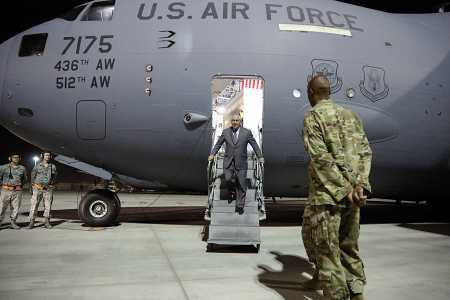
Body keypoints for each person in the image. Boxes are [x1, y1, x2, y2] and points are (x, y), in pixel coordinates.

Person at [301, 75, 372, 300]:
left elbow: (321, 158)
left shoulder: (313, 117)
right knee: (349, 250)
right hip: (353, 198)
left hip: (328, 199)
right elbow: (365, 152)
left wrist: (343, 190)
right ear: (328, 91)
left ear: (311, 92)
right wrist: (360, 186)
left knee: (328, 255)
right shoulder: (352, 116)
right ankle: (358, 295)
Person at [208, 114, 263, 214]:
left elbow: (254, 144)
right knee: (229, 179)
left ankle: (240, 205)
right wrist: (212, 154)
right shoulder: (225, 132)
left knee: (242, 184)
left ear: (240, 121)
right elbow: (218, 144)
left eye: (237, 120)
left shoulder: (247, 132)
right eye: (233, 120)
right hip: (228, 162)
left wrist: (260, 157)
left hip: (241, 162)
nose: (234, 122)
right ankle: (232, 190)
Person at [28, 151, 58, 229]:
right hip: (37, 188)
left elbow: (54, 176)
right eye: (46, 155)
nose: (47, 157)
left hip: (48, 189)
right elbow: (32, 176)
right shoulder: (37, 166)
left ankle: (46, 222)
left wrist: (52, 184)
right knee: (34, 205)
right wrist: (32, 187)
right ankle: (32, 222)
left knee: (48, 206)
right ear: (42, 156)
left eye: (49, 155)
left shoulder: (52, 166)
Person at [0, 152, 28, 229]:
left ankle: (13, 222)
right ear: (10, 158)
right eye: (14, 157)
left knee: (15, 208)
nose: (16, 159)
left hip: (17, 191)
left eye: (17, 157)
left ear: (20, 159)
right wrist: (4, 185)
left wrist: (19, 186)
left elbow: (24, 179)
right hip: (5, 190)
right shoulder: (3, 167)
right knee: (1, 207)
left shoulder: (22, 168)